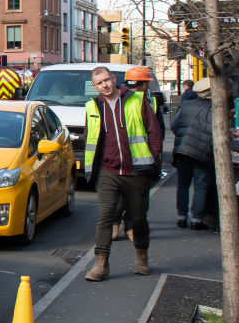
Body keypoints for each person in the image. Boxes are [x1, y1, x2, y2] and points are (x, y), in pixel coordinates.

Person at [83, 65, 163, 282]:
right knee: (105, 217)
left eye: (107, 80)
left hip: (136, 171)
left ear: (114, 79)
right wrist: (92, 169)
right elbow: (90, 138)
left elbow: (154, 133)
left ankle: (141, 254)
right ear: (95, 86)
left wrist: (153, 161)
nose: (105, 85)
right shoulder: (92, 106)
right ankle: (101, 264)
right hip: (108, 171)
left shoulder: (136, 100)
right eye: (99, 83)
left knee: (138, 218)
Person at [110, 65, 165, 240]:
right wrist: (154, 157)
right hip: (141, 160)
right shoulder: (145, 101)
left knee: (119, 194)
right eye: (147, 83)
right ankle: (130, 227)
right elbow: (157, 133)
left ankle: (115, 225)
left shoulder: (114, 99)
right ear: (142, 84)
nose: (148, 86)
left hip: (118, 159)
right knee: (138, 197)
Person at [171, 77, 214, 230]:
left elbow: (174, 125)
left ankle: (181, 217)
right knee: (201, 186)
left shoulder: (186, 105)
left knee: (182, 185)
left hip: (182, 150)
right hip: (202, 153)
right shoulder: (214, 108)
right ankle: (197, 219)